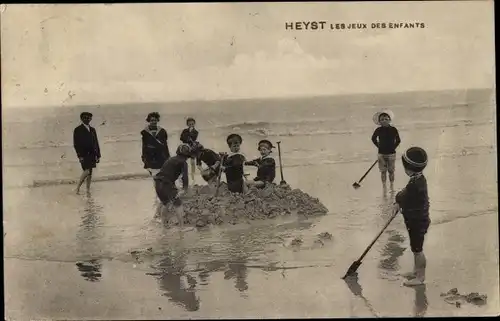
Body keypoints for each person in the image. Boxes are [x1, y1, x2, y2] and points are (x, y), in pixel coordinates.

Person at [394, 147, 429, 287]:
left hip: (417, 221)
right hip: (417, 219)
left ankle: (420, 277)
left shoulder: (415, 184)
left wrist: (398, 200)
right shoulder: (419, 179)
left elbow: (404, 195)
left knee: (417, 250)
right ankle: (416, 272)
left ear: (408, 169)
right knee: (415, 248)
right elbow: (406, 194)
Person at [154, 143, 195, 232]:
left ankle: (164, 225)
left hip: (157, 182)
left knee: (166, 203)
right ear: (187, 154)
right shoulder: (183, 162)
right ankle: (182, 228)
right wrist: (185, 189)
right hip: (166, 183)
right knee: (178, 203)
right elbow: (185, 177)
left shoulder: (171, 159)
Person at [371, 110, 401, 190]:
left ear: (389, 120)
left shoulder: (393, 129)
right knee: (383, 171)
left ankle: (391, 185)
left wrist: (393, 147)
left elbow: (398, 140)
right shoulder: (378, 130)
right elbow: (373, 139)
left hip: (391, 154)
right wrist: (379, 146)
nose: (384, 121)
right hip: (381, 154)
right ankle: (384, 185)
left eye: (386, 119)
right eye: (382, 119)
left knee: (391, 170)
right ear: (379, 122)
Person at [73, 112, 101, 194]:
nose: (87, 119)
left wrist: (98, 155)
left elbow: (96, 142)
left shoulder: (92, 129)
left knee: (90, 173)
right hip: (84, 153)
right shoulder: (78, 129)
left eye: (89, 118)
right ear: (81, 119)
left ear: (91, 119)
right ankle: (77, 187)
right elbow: (76, 144)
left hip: (92, 153)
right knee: (87, 170)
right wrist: (80, 156)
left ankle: (87, 190)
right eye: (85, 118)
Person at [141, 112, 170, 177]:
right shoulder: (145, 132)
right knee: (154, 175)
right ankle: (156, 186)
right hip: (150, 156)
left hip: (161, 156)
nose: (153, 122)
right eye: (152, 120)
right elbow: (144, 146)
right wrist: (143, 157)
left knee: (161, 174)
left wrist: (168, 156)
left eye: (155, 120)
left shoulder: (162, 131)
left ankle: (159, 186)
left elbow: (165, 145)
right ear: (149, 121)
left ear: (157, 120)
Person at [180, 117, 199, 183]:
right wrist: (188, 138)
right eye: (189, 124)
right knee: (183, 161)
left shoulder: (196, 132)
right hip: (185, 147)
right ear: (187, 124)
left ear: (194, 124)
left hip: (192, 148)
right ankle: (183, 174)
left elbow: (194, 138)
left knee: (192, 162)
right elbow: (181, 138)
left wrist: (188, 137)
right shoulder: (185, 130)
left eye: (192, 124)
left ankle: (193, 175)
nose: (191, 125)